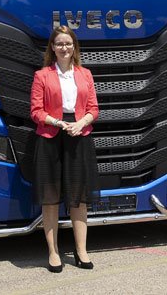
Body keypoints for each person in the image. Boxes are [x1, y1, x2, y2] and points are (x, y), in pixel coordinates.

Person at [29, 25, 100, 273]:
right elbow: (36, 111)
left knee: (79, 198)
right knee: (50, 199)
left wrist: (80, 123)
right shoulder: (42, 76)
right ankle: (53, 252)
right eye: (59, 43)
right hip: (50, 137)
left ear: (74, 47)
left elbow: (93, 108)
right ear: (52, 47)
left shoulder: (85, 74)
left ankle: (81, 251)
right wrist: (60, 123)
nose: (64, 47)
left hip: (79, 136)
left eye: (68, 43)